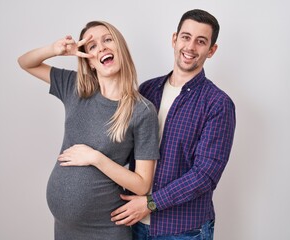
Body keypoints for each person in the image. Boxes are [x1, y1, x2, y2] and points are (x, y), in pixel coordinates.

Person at [17, 21, 159, 240]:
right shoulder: (75, 88)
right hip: (64, 228)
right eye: (92, 46)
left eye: (108, 39)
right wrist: (55, 50)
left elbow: (142, 184)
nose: (101, 48)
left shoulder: (142, 111)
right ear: (90, 62)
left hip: (106, 228)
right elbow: (25, 63)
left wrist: (95, 158)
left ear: (120, 48)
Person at [110, 9, 236, 240]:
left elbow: (205, 174)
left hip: (183, 230)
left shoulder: (218, 104)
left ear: (212, 50)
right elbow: (124, 149)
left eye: (201, 41)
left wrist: (150, 203)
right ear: (174, 39)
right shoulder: (147, 90)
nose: (190, 47)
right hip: (132, 222)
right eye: (186, 37)